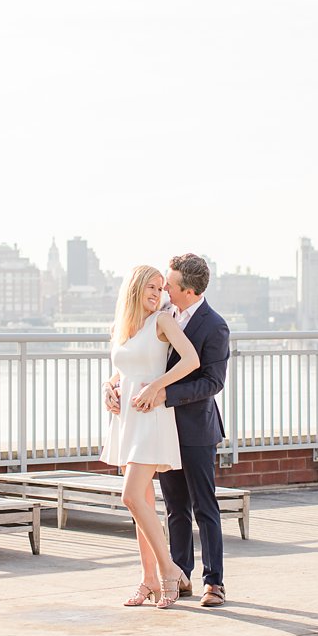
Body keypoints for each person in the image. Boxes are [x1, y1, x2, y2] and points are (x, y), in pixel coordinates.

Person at [106, 253, 230, 607]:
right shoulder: (156, 312)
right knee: (175, 506)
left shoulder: (214, 326)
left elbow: (212, 381)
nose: (165, 291)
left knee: (204, 505)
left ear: (188, 291)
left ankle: (214, 582)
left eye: (170, 286)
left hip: (193, 425)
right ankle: (180, 575)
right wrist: (110, 386)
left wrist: (162, 392)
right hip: (154, 422)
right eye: (161, 285)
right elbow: (133, 360)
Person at [99, 264, 200, 609]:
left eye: (161, 288)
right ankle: (149, 580)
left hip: (151, 416)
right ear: (135, 289)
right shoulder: (122, 327)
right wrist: (108, 387)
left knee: (132, 497)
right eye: (151, 288)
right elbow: (121, 368)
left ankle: (170, 571)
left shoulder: (163, 321)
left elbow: (190, 360)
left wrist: (158, 386)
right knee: (141, 504)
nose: (158, 295)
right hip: (127, 418)